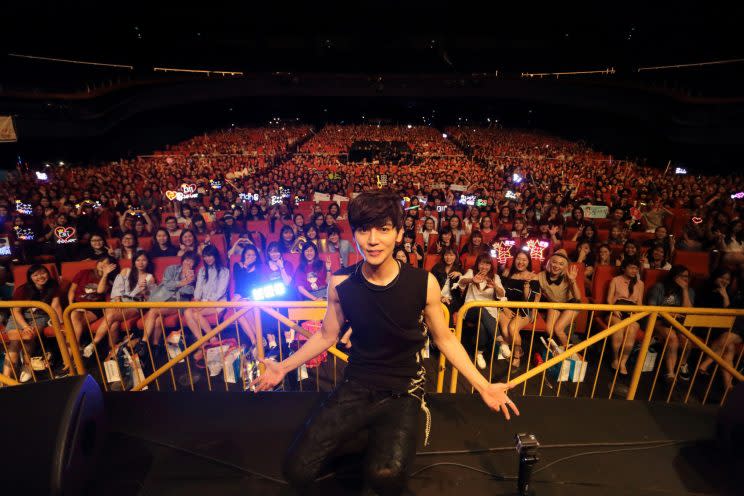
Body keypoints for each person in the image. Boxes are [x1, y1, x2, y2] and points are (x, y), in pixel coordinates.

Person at [252, 190, 518, 496]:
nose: (373, 239)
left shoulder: (423, 283)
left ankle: (379, 438)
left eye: (383, 229)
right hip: (357, 385)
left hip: (403, 390)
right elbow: (327, 335)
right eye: (364, 230)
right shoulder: (341, 283)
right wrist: (283, 367)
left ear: (399, 233)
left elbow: (444, 339)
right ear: (354, 235)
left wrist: (483, 385)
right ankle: (367, 436)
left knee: (386, 476)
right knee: (296, 470)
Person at [82, 250, 156, 359]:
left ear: (148, 262)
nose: (141, 263)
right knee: (113, 324)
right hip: (118, 302)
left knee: (111, 316)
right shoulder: (126, 271)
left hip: (134, 305)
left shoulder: (150, 277)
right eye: (138, 260)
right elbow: (117, 288)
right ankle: (112, 354)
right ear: (134, 262)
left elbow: (151, 299)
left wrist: (145, 291)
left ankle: (94, 343)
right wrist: (118, 301)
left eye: (144, 260)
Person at [2, 265, 64, 382]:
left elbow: (56, 306)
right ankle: (6, 378)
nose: (40, 277)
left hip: (40, 317)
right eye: (35, 275)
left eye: (42, 273)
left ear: (48, 274)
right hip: (20, 316)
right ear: (30, 277)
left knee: (29, 336)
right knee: (16, 341)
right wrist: (25, 326)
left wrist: (60, 323)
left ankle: (25, 366)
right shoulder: (23, 289)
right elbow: (16, 311)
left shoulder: (53, 285)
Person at [140, 252, 199, 355]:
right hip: (162, 299)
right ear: (183, 260)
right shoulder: (172, 269)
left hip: (178, 302)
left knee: (154, 311)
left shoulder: (192, 275)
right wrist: (183, 283)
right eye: (186, 259)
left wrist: (181, 284)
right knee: (158, 319)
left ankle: (143, 343)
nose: (188, 262)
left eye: (191, 261)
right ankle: (155, 346)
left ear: (194, 263)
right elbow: (167, 284)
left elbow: (190, 291)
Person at [646, 265, 695, 383]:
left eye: (687, 277)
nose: (685, 279)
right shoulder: (659, 287)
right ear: (674, 276)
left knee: (687, 342)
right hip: (659, 321)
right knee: (672, 338)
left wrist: (684, 290)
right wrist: (671, 314)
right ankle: (670, 373)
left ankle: (682, 364)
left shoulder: (689, 291)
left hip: (679, 323)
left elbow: (688, 311)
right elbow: (652, 308)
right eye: (682, 276)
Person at [458, 252, 507, 369]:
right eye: (482, 263)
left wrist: (495, 286)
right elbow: (461, 282)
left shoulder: (495, 277)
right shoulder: (471, 272)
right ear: (477, 264)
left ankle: (479, 353)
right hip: (470, 309)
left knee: (482, 323)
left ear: (491, 266)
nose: (484, 267)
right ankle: (500, 340)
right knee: (481, 310)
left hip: (488, 312)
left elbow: (502, 294)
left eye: (487, 264)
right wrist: (472, 280)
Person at [184, 245, 230, 368]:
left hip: (218, 302)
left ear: (215, 256)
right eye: (205, 256)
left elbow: (220, 291)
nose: (207, 258)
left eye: (210, 255)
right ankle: (203, 345)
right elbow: (198, 288)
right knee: (188, 312)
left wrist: (204, 304)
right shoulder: (202, 271)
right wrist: (197, 300)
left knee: (195, 313)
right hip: (203, 301)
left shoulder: (224, 271)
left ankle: (213, 340)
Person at [697, 269, 741, 392]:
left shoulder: (730, 294)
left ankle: (727, 384)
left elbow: (729, 314)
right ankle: (727, 384)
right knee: (729, 344)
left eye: (728, 279)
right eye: (722, 277)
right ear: (715, 277)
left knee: (730, 346)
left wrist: (725, 296)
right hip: (705, 326)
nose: (725, 281)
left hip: (722, 328)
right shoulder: (704, 290)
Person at [499, 251, 541, 368]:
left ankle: (516, 355)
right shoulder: (507, 272)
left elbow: (530, 300)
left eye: (524, 260)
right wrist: (504, 307)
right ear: (514, 259)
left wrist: (527, 284)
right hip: (506, 306)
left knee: (512, 328)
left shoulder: (533, 276)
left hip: (524, 308)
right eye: (518, 259)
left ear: (528, 262)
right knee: (505, 330)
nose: (521, 262)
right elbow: (500, 293)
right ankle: (519, 348)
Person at [68, 255, 118, 346]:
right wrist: (71, 306)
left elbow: (100, 291)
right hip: (77, 306)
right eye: (101, 261)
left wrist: (105, 275)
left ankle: (73, 352)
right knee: (74, 316)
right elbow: (72, 291)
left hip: (94, 308)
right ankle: (76, 349)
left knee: (73, 324)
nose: (102, 264)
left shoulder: (110, 280)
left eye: (106, 264)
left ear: (111, 267)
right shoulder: (83, 273)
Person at [606, 259, 644, 375]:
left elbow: (639, 303)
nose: (634, 271)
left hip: (632, 312)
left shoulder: (640, 283)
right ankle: (615, 359)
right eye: (631, 268)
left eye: (636, 268)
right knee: (619, 328)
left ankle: (623, 362)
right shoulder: (616, 280)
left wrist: (636, 314)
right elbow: (609, 299)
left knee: (632, 330)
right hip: (616, 310)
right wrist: (614, 309)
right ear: (624, 268)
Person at [538, 250, 582, 347]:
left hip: (571, 304)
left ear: (565, 267)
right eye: (554, 262)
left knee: (558, 329)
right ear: (549, 262)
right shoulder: (541, 276)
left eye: (561, 264)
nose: (556, 266)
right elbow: (536, 291)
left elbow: (578, 298)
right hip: (554, 304)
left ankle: (568, 354)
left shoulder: (568, 276)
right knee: (549, 330)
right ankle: (556, 350)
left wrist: (573, 281)